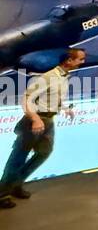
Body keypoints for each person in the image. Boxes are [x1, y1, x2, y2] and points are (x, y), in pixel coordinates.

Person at [0, 48, 86, 209]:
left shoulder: (64, 78)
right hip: (34, 122)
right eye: (80, 59)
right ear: (69, 60)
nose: (83, 62)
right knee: (18, 158)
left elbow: (52, 99)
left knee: (44, 153)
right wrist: (35, 118)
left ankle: (15, 183)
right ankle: (2, 193)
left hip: (48, 121)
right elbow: (26, 99)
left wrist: (64, 108)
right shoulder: (48, 77)